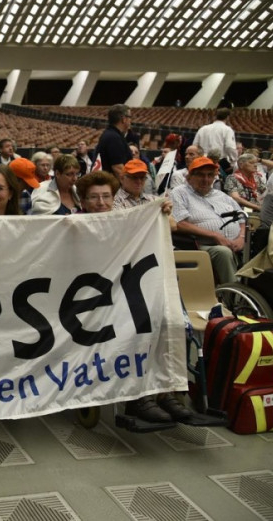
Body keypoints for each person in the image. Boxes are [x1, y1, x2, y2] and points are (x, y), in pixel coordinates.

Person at [77, 169, 190, 423]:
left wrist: (161, 214)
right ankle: (137, 396)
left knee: (166, 322)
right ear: (83, 201)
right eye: (94, 197)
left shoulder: (126, 222)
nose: (101, 203)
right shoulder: (73, 225)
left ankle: (163, 390)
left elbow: (169, 227)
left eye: (106, 196)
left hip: (127, 293)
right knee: (134, 327)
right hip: (93, 301)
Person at [170, 157, 245, 285]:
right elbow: (179, 223)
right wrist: (215, 235)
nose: (206, 179)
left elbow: (242, 217)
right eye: (200, 175)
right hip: (200, 245)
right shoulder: (180, 193)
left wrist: (241, 237)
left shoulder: (221, 195)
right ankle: (233, 294)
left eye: (210, 175)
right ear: (189, 177)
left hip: (236, 243)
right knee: (223, 252)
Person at [95, 104, 132, 177]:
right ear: (124, 119)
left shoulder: (112, 134)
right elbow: (118, 168)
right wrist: (131, 181)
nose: (131, 120)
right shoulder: (113, 137)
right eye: (130, 117)